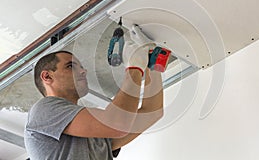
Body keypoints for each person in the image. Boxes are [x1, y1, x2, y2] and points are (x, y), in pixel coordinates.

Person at [24, 26, 164, 160]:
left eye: (82, 67)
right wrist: (135, 67)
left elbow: (152, 113)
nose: (83, 71)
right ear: (47, 77)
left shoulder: (95, 134)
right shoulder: (44, 110)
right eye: (70, 66)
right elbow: (117, 124)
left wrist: (152, 64)